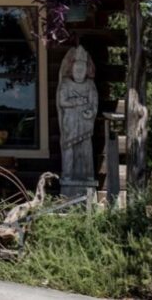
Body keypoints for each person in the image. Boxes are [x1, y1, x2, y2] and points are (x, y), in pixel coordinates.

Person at [57, 45, 98, 195]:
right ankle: (67, 175)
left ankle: (88, 176)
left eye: (82, 70)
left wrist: (90, 112)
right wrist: (76, 102)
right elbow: (62, 101)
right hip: (70, 122)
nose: (79, 73)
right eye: (76, 70)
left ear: (87, 71)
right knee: (69, 150)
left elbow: (94, 104)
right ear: (71, 69)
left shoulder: (90, 85)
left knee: (86, 149)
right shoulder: (66, 84)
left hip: (85, 123)